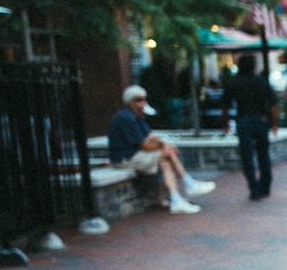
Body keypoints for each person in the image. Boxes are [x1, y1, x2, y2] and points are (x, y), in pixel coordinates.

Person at [106, 85, 215, 213]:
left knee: (165, 160)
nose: (143, 102)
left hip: (135, 155)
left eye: (144, 99)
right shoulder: (125, 118)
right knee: (165, 155)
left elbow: (151, 137)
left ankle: (177, 198)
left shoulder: (137, 116)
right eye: (139, 100)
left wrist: (166, 144)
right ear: (130, 102)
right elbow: (144, 146)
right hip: (124, 158)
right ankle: (187, 185)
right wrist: (163, 147)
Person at [222, 55, 278, 200]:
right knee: (263, 154)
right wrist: (274, 123)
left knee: (247, 157)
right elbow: (273, 104)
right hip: (260, 121)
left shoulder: (234, 82)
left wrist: (226, 123)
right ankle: (265, 186)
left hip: (243, 121)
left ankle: (254, 188)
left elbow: (225, 105)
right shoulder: (261, 81)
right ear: (253, 66)